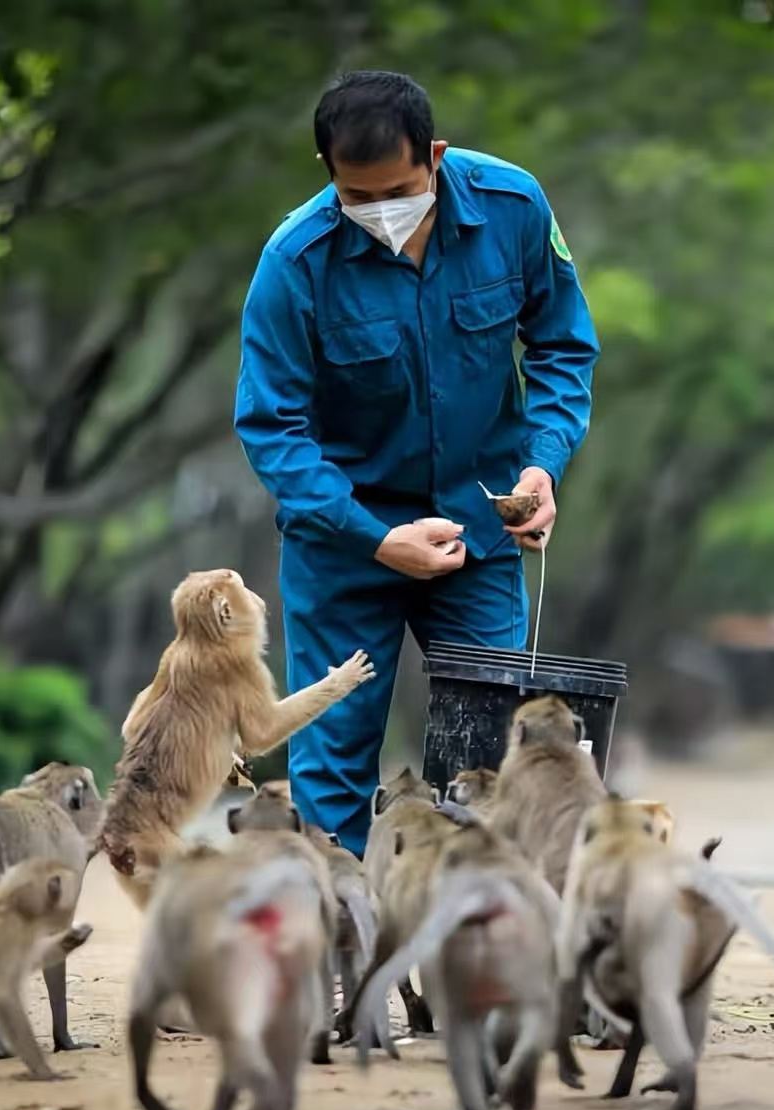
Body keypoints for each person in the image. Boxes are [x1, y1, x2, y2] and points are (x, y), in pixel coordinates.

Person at [234, 70, 599, 853]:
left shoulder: (513, 207)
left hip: (479, 533)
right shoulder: (294, 261)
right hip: (345, 545)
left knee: (492, 756)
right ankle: (341, 956)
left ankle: (479, 956)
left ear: (433, 155)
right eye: (356, 198)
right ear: (327, 172)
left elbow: (563, 345)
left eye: (396, 190)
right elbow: (273, 428)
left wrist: (541, 467)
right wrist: (372, 536)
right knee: (330, 762)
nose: (379, 214)